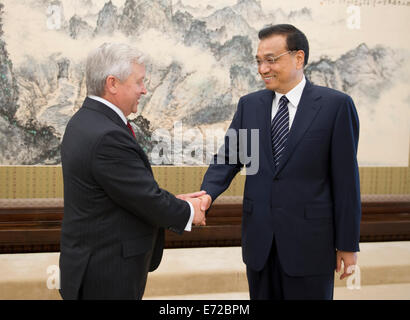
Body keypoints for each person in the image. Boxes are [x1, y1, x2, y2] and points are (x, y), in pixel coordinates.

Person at [196, 24, 361, 300]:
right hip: (259, 243)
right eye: (259, 61)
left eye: (271, 60)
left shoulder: (336, 106)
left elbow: (346, 182)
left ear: (299, 58)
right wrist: (206, 195)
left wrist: (347, 244)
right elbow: (228, 158)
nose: (262, 69)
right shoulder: (250, 105)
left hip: (310, 245)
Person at [59, 43, 206, 300]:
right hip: (106, 273)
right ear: (112, 83)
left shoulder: (84, 121)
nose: (144, 89)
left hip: (92, 265)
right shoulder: (107, 134)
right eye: (139, 81)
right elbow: (144, 198)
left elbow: (127, 192)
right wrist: (191, 211)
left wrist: (173, 201)